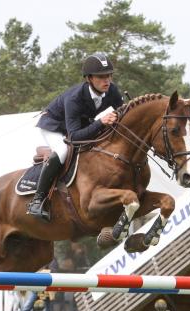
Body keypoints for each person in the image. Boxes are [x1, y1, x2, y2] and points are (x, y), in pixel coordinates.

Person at [27, 52, 124, 221]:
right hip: (54, 125)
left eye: (109, 75)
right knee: (63, 150)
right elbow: (74, 137)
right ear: (89, 78)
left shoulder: (112, 91)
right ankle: (37, 200)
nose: (107, 80)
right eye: (101, 77)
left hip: (78, 124)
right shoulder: (75, 98)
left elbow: (123, 113)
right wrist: (100, 122)